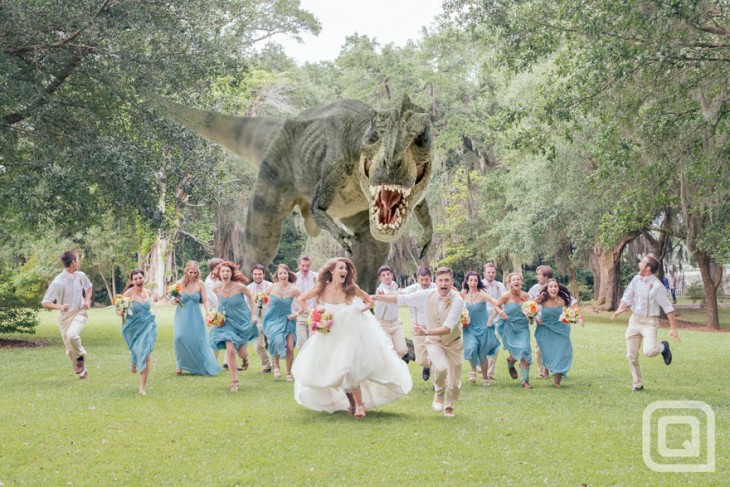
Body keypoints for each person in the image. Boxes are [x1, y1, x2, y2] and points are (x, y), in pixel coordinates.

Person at [292, 258, 412, 418]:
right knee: (336, 369)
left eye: (346, 269)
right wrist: (313, 312)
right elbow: (301, 299)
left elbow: (369, 300)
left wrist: (361, 310)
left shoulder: (350, 288)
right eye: (341, 268)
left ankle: (360, 405)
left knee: (348, 366)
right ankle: (351, 403)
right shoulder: (322, 287)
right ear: (332, 271)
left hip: (349, 331)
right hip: (330, 333)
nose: (344, 272)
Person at [374, 267, 464, 417]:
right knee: (440, 368)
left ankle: (450, 404)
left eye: (446, 280)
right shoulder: (428, 294)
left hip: (453, 342)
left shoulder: (458, 299)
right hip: (434, 341)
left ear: (452, 282)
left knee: (454, 383)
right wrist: (376, 297)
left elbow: (448, 327)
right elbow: (403, 298)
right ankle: (439, 392)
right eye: (440, 280)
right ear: (436, 282)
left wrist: (426, 331)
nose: (443, 283)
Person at [611, 255, 679, 392]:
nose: (639, 263)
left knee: (649, 351)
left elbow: (668, 308)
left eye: (642, 262)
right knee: (631, 355)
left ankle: (663, 347)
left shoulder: (658, 286)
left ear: (648, 268)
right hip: (635, 320)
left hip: (650, 323)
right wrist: (620, 309)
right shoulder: (636, 279)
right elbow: (628, 295)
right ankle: (638, 384)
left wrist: (674, 328)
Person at [42, 250, 93, 380]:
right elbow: (45, 302)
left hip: (80, 312)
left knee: (72, 335)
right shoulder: (58, 281)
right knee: (70, 351)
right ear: (73, 262)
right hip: (65, 317)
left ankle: (81, 356)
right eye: (77, 259)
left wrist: (87, 300)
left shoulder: (81, 275)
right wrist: (60, 307)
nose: (79, 261)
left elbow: (89, 287)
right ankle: (83, 372)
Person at [210, 261, 258, 392]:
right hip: (226, 322)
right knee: (230, 349)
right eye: (223, 272)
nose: (225, 274)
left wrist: (254, 314)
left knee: (242, 353)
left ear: (232, 273)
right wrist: (214, 316)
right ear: (219, 274)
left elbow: (251, 298)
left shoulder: (240, 287)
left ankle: (245, 359)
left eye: (228, 271)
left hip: (242, 321)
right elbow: (219, 303)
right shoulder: (216, 288)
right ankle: (235, 381)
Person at [172, 261, 221, 376]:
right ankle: (180, 363)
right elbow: (173, 300)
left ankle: (201, 363)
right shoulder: (179, 283)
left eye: (195, 272)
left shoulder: (200, 284)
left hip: (195, 313)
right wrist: (175, 300)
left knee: (198, 339)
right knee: (179, 337)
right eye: (190, 272)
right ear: (186, 271)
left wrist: (208, 313)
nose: (193, 275)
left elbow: (205, 300)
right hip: (182, 314)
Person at [535, 279, 582, 388]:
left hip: (560, 328)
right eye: (550, 287)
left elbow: (574, 308)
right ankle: (546, 368)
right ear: (547, 289)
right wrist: (536, 318)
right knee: (548, 351)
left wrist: (578, 318)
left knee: (563, 351)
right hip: (545, 328)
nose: (553, 289)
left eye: (555, 286)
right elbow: (529, 308)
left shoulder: (563, 300)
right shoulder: (541, 300)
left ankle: (557, 381)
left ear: (558, 288)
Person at [118, 269, 157, 395]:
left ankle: (142, 388)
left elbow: (149, 308)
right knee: (137, 349)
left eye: (140, 278)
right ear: (132, 281)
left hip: (148, 325)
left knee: (145, 354)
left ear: (144, 278)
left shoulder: (148, 292)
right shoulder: (128, 294)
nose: (138, 280)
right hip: (132, 327)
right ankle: (134, 359)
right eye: (135, 279)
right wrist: (121, 312)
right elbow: (118, 311)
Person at [492, 272, 534, 388]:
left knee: (525, 351)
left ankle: (525, 381)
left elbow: (529, 310)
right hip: (508, 326)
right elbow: (496, 305)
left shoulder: (526, 296)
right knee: (516, 354)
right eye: (514, 280)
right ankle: (510, 364)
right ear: (510, 283)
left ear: (521, 282)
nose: (516, 281)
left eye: (518, 279)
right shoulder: (506, 296)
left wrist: (531, 317)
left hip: (522, 327)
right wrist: (502, 312)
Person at [461, 271, 502, 386]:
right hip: (468, 327)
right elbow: (453, 303)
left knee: (483, 354)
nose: (473, 282)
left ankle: (485, 377)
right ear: (467, 282)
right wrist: (462, 317)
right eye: (471, 280)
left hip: (484, 327)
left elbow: (498, 304)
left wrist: (491, 319)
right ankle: (473, 370)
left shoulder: (482, 294)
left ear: (478, 282)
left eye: (475, 280)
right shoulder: (463, 294)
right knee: (471, 347)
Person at [262, 264, 300, 381]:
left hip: (288, 319)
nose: (283, 275)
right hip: (273, 319)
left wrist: (296, 313)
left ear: (288, 274)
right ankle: (276, 365)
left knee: (290, 346)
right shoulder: (272, 287)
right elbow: (260, 298)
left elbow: (303, 303)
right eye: (280, 273)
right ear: (277, 275)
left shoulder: (294, 289)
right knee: (277, 341)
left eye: (285, 273)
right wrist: (262, 302)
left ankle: (289, 372)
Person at [402, 267, 436, 381]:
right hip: (418, 325)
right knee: (421, 359)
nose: (424, 282)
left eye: (427, 279)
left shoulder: (437, 287)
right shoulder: (412, 289)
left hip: (434, 326)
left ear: (431, 277)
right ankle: (427, 366)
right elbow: (400, 293)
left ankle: (437, 379)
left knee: (435, 353)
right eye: (422, 280)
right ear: (418, 279)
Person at [374, 265, 409, 361]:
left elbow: (404, 294)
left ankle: (396, 365)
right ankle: (394, 368)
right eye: (383, 275)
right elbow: (388, 296)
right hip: (382, 324)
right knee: (389, 350)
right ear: (380, 278)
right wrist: (399, 293)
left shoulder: (394, 285)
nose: (386, 277)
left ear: (392, 275)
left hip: (395, 322)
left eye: (388, 274)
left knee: (402, 350)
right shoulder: (380, 290)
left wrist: (400, 291)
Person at [481, 263, 507, 383]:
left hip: (496, 317)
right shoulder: (479, 284)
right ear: (484, 273)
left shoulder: (499, 285)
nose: (491, 274)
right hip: (481, 318)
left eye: (493, 272)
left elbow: (504, 299)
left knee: (494, 345)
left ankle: (490, 373)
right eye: (488, 272)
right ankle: (480, 364)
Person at [247, 264, 273, 373]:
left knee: (273, 343)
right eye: (255, 274)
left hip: (270, 318)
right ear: (252, 275)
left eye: (260, 274)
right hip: (256, 319)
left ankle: (276, 365)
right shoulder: (248, 288)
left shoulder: (271, 286)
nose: (257, 276)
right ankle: (267, 364)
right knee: (258, 345)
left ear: (264, 274)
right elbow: (246, 305)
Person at [528, 265, 552, 379]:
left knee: (551, 346)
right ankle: (541, 370)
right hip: (540, 322)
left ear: (546, 277)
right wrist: (535, 317)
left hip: (552, 322)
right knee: (538, 349)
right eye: (537, 274)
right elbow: (528, 305)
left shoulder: (554, 287)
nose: (537, 277)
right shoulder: (534, 288)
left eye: (539, 275)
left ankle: (548, 369)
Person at [292, 256, 319, 349]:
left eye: (307, 266)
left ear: (310, 265)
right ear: (299, 265)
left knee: (313, 343)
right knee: (302, 344)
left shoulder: (316, 277)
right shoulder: (294, 278)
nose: (305, 268)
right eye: (303, 265)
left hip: (313, 314)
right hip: (300, 315)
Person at [204, 257, 225, 366]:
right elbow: (211, 298)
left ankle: (227, 360)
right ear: (212, 269)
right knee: (215, 337)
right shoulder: (208, 282)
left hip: (227, 309)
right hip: (215, 312)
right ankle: (214, 361)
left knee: (230, 335)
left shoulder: (225, 278)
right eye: (218, 268)